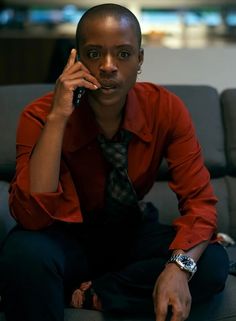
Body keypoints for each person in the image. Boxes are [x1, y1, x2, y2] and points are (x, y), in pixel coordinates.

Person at [0, 3, 229, 321]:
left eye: (123, 54)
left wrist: (178, 267)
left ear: (139, 60)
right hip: (64, 235)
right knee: (22, 255)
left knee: (212, 263)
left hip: (130, 231)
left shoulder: (165, 110)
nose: (108, 66)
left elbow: (200, 204)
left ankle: (91, 294)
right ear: (76, 59)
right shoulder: (40, 115)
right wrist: (59, 117)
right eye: (94, 54)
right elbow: (32, 217)